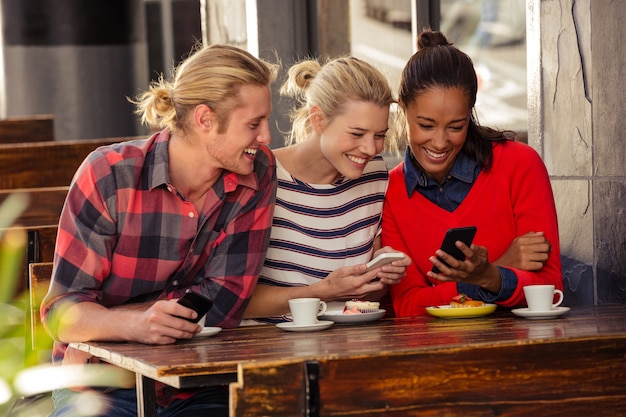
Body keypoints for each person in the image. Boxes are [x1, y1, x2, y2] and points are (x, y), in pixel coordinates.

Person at [41, 44, 279, 417]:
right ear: (204, 119)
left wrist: (105, 326)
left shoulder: (257, 171)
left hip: (198, 384)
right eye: (253, 123)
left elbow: (225, 297)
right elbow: (62, 312)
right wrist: (133, 325)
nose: (265, 136)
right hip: (104, 385)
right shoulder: (108, 175)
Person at [382, 30, 562, 317]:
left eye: (456, 126)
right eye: (426, 126)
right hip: (434, 356)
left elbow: (550, 290)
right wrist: (493, 272)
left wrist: (486, 276)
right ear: (403, 110)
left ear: (470, 114)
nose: (440, 142)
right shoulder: (389, 191)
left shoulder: (520, 165)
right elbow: (407, 306)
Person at [243, 56, 410, 322]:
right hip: (267, 347)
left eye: (380, 135)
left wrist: (380, 272)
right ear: (318, 120)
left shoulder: (374, 174)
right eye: (356, 134)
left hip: (347, 347)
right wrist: (322, 292)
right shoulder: (260, 176)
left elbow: (368, 296)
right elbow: (233, 301)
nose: (370, 148)